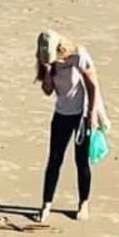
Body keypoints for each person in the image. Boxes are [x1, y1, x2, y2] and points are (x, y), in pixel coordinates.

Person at [34, 29, 102, 223]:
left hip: (81, 114)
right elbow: (48, 91)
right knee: (54, 160)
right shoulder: (45, 59)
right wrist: (47, 71)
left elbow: (92, 85)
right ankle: (46, 204)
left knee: (81, 161)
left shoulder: (78, 56)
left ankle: (84, 203)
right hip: (61, 113)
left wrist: (91, 114)